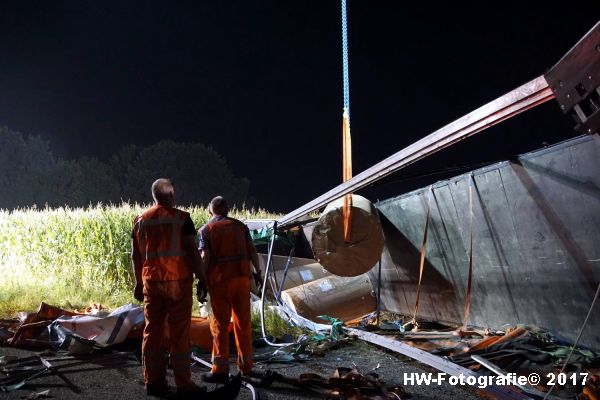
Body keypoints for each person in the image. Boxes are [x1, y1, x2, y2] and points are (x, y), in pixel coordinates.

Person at [131, 178, 207, 397]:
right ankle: (184, 384)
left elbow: (136, 255)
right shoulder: (181, 219)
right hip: (177, 283)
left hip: (151, 284)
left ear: (154, 196)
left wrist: (138, 282)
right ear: (171, 194)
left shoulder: (140, 221)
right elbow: (193, 252)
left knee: (152, 333)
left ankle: (153, 382)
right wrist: (202, 278)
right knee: (179, 334)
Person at [199, 196, 262, 382]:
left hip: (220, 281)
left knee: (220, 323)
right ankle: (246, 367)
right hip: (242, 279)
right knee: (243, 323)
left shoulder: (206, 230)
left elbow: (204, 257)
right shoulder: (241, 227)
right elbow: (252, 251)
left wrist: (201, 282)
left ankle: (220, 369)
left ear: (210, 211)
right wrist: (257, 272)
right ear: (227, 209)